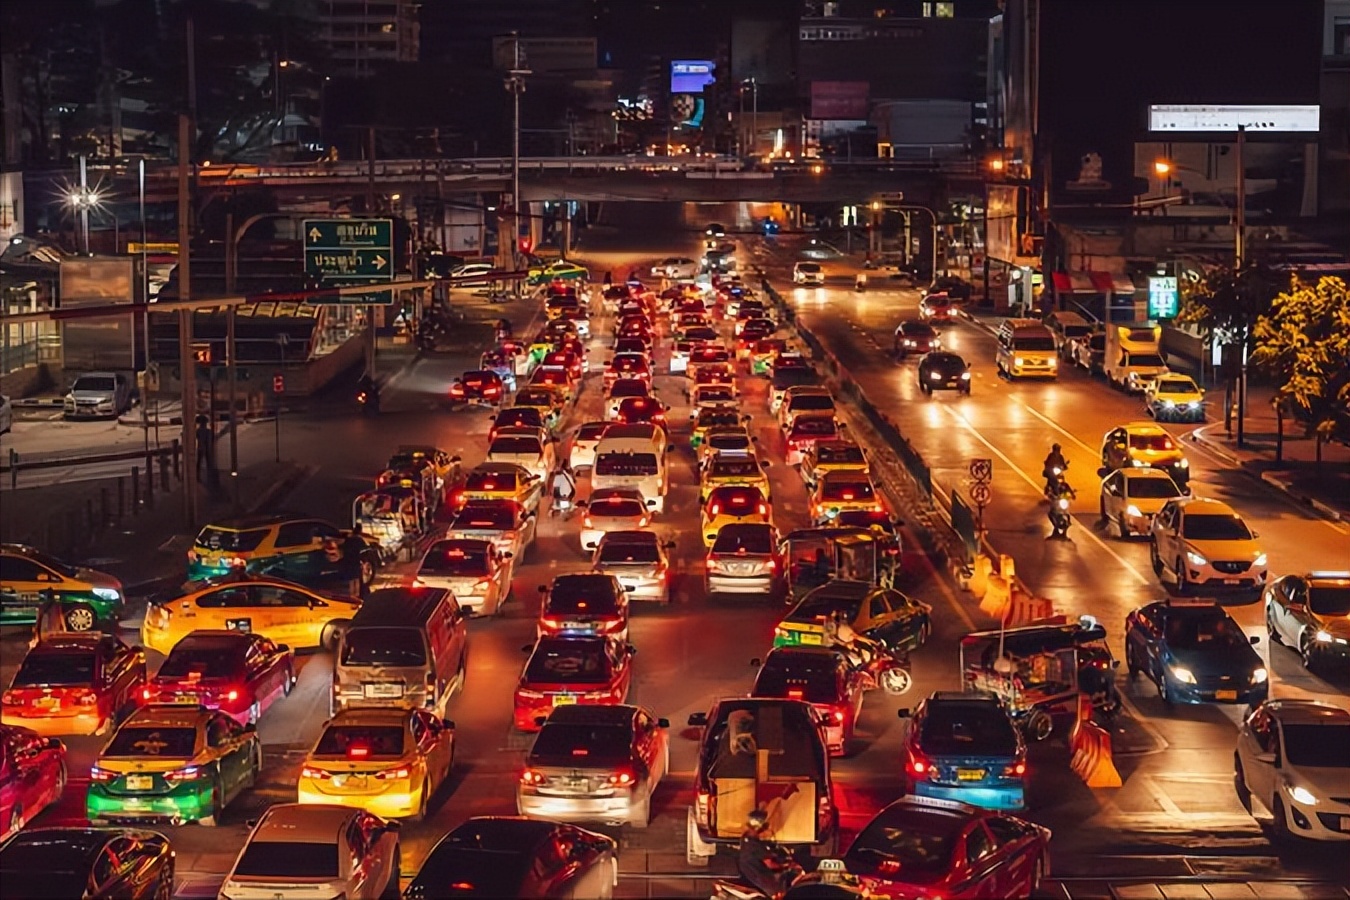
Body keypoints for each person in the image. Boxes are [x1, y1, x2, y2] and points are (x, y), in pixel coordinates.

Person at [738, 810, 801, 900]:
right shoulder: (750, 843)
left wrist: (786, 866)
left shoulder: (749, 842)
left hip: (762, 878)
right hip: (766, 879)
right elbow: (770, 864)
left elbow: (769, 863)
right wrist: (787, 866)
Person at [341, 524, 370, 596]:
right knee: (356, 579)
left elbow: (344, 548)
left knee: (351, 580)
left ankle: (352, 596)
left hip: (349, 561)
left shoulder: (348, 539)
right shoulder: (359, 540)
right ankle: (356, 595)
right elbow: (365, 549)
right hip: (356, 561)